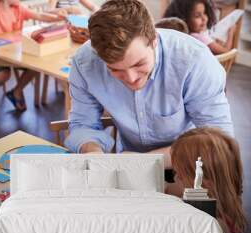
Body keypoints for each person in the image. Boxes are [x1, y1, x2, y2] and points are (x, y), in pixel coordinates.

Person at [64, 0, 233, 170]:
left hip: (188, 165)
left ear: (154, 40)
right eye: (115, 70)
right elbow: (83, 124)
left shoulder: (194, 61)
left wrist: (145, 161)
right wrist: (93, 153)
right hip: (128, 164)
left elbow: (219, 141)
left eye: (138, 64)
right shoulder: (86, 62)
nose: (131, 78)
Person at [0, 0, 65, 112]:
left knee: (35, 67)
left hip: (15, 53)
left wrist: (58, 18)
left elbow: (40, 16)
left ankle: (16, 91)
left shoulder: (19, 8)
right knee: (4, 74)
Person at [169, 127, 247, 233]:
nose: (175, 178)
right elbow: (171, 188)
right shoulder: (216, 203)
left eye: (180, 175)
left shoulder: (214, 225)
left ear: (205, 183)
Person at [163, 0, 235, 54]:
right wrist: (230, 33)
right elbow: (226, 51)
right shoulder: (199, 38)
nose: (204, 18)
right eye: (197, 16)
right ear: (184, 19)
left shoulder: (182, 37)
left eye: (204, 13)